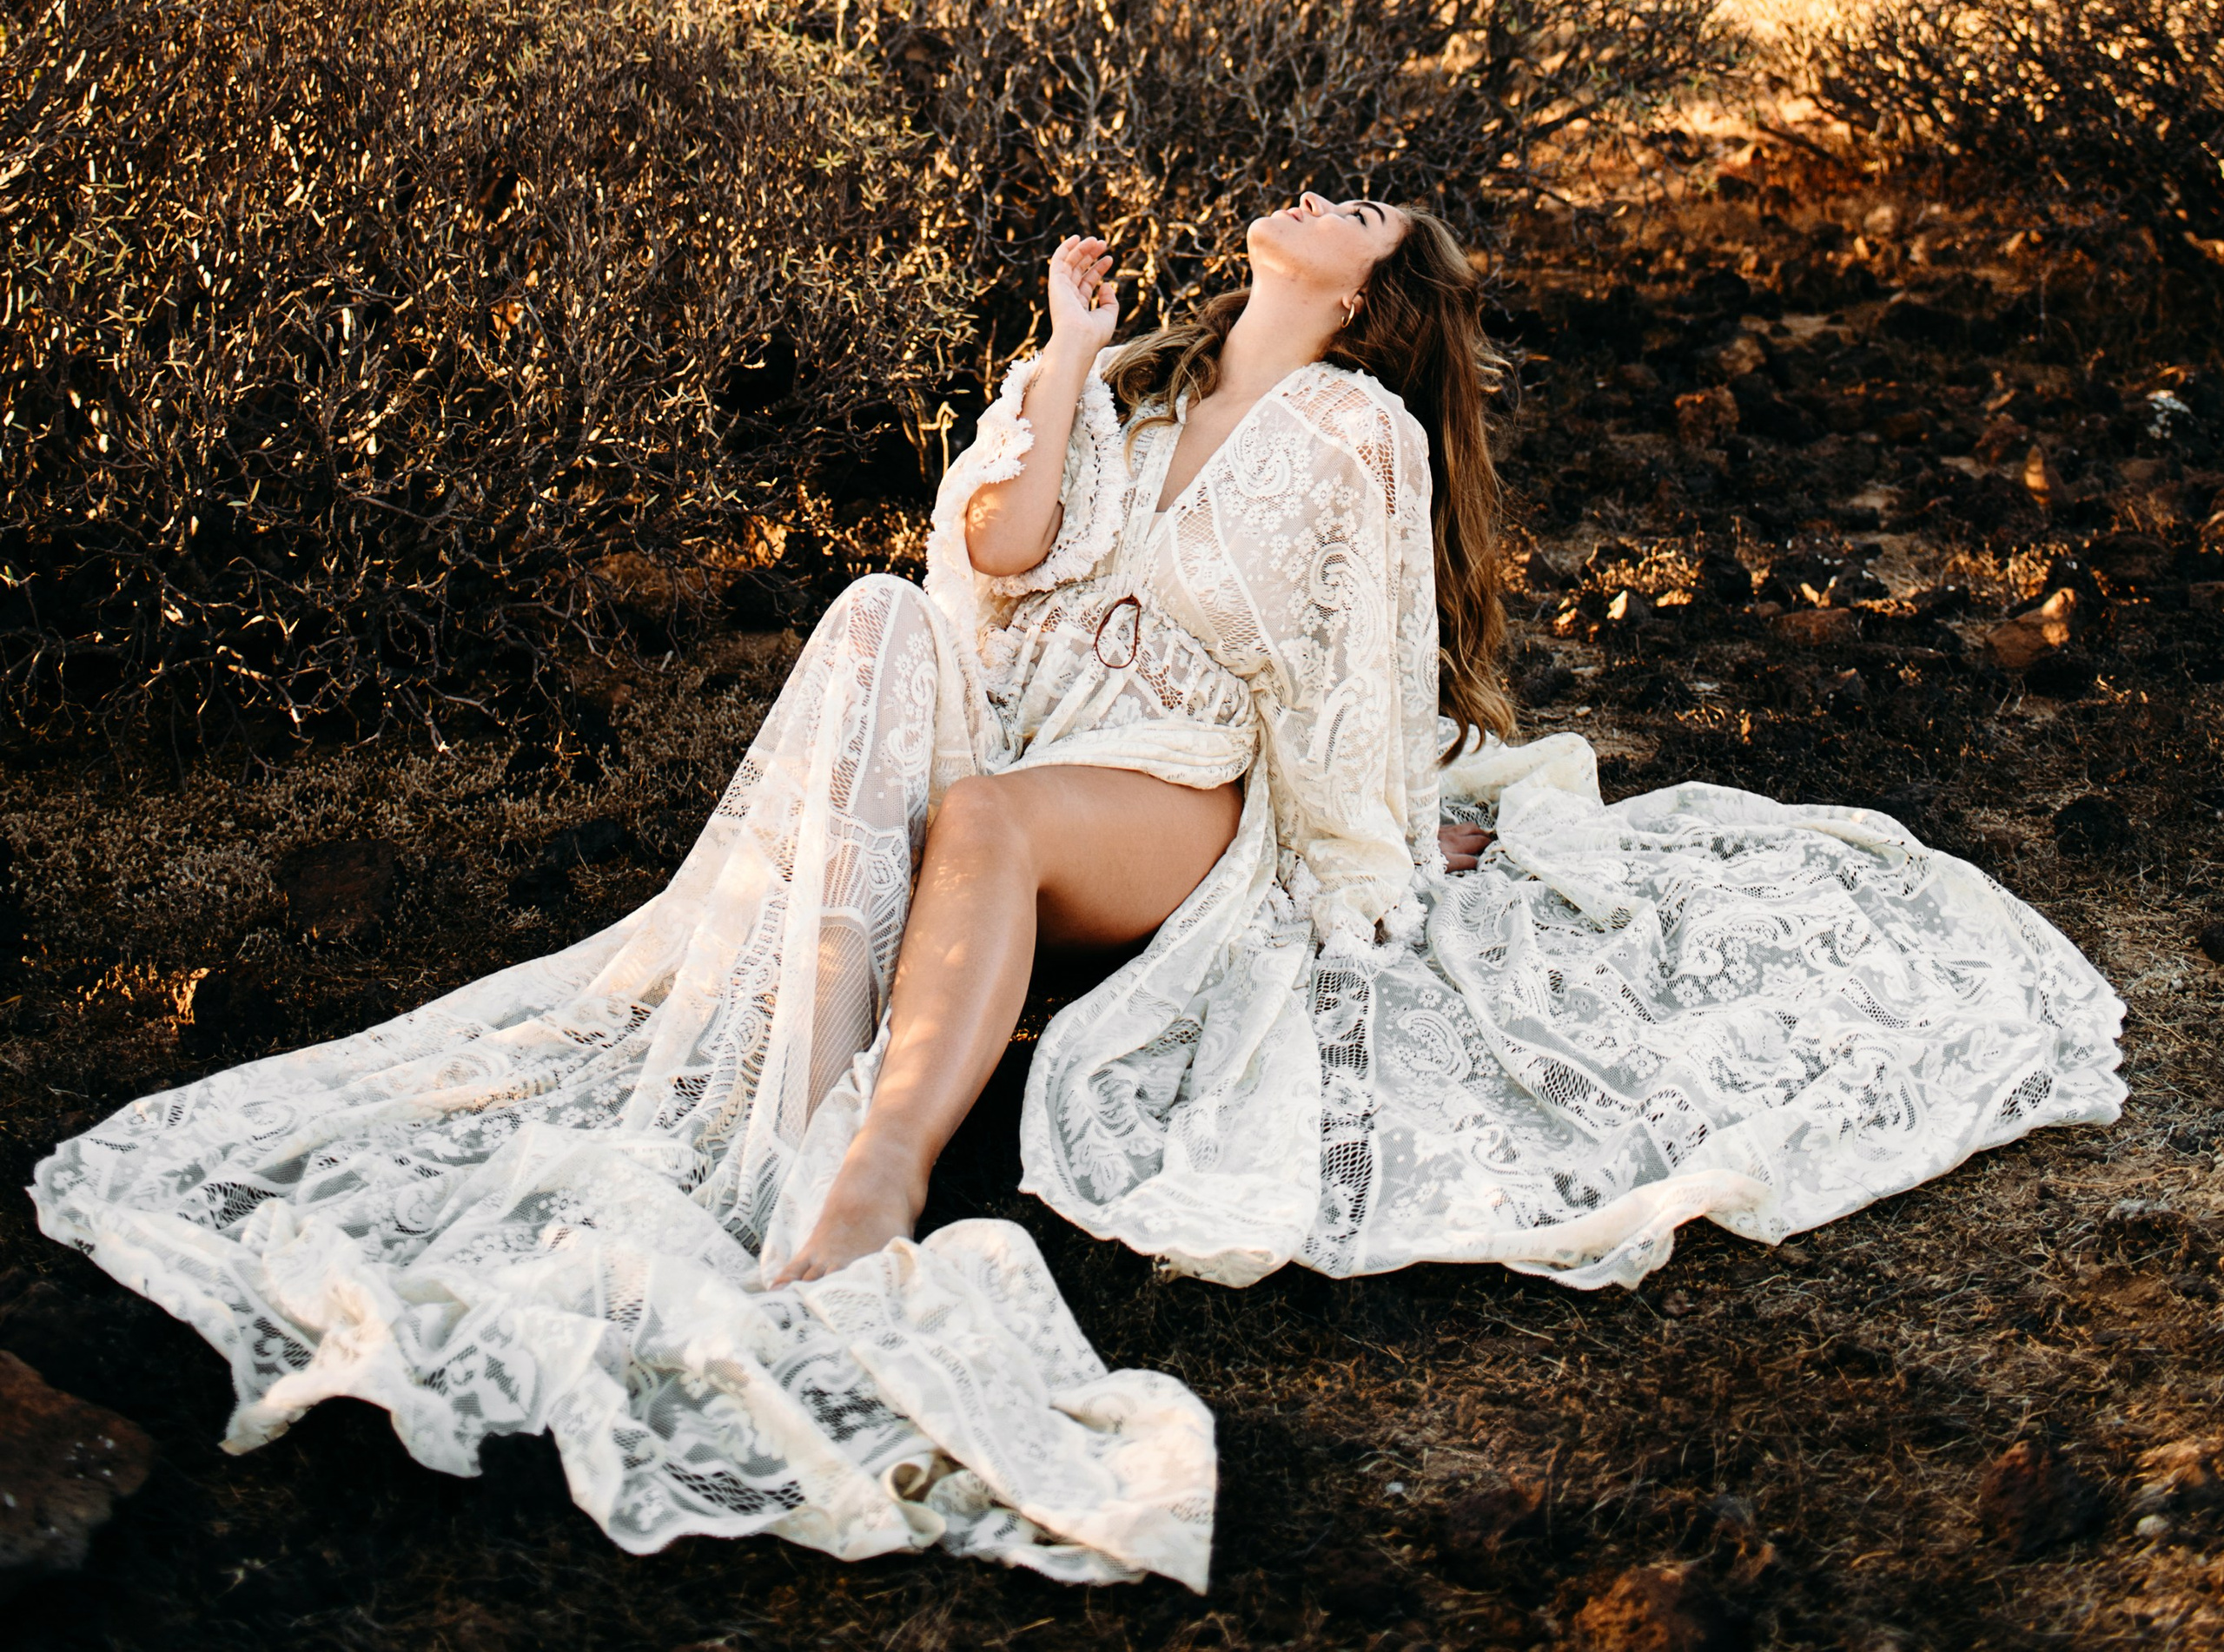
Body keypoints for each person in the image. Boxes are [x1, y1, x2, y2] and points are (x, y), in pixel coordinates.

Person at [33, 197, 2124, 1598]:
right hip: (1028, 719)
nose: (1307, 195)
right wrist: (1055, 352)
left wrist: (1368, 883)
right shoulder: (1126, 393)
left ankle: (866, 1178)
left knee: (1002, 825)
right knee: (871, 619)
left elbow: (1352, 678)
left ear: (1371, 285)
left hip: (1175, 795)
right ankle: (763, 1091)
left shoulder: (1353, 432)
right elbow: (998, 559)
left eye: (1350, 208)